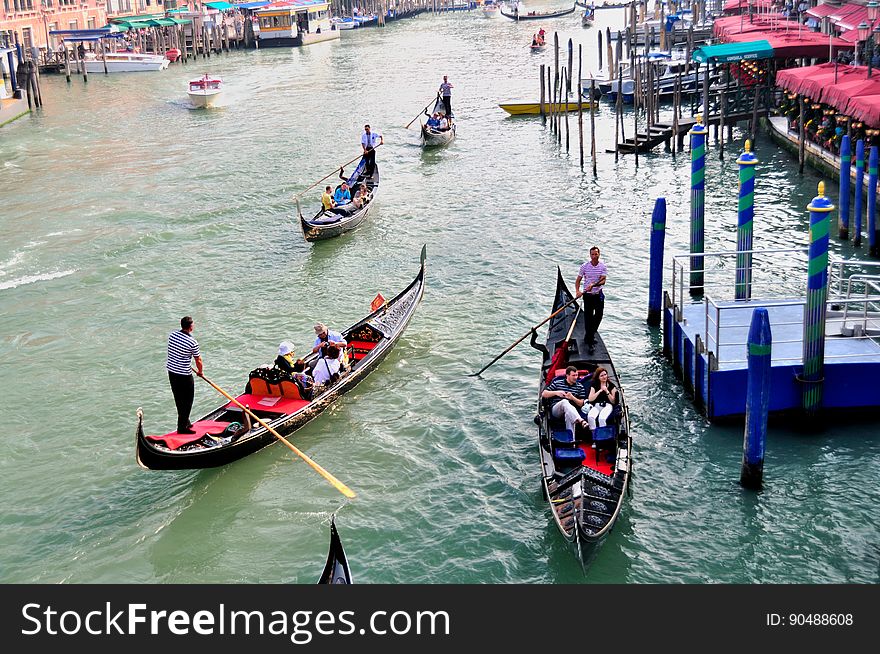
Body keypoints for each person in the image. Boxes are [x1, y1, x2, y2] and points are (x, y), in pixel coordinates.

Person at [166, 316, 203, 435]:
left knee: (179, 399)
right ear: (191, 327)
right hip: (184, 375)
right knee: (187, 401)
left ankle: (186, 421)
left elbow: (174, 351)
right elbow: (198, 360)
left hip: (172, 372)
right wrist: (200, 372)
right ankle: (182, 428)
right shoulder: (192, 342)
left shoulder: (172, 335)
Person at [575, 246, 607, 353]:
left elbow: (603, 281)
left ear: (599, 254)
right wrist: (578, 292)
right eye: (592, 254)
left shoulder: (602, 266)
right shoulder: (584, 266)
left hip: (598, 295)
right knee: (588, 318)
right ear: (590, 255)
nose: (594, 256)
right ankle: (590, 340)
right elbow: (578, 280)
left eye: (596, 254)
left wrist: (594, 285)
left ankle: (590, 334)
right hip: (587, 296)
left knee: (599, 316)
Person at [541, 365, 589, 436]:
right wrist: (556, 393)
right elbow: (544, 394)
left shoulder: (580, 387)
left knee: (568, 414)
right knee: (564, 402)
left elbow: (581, 404)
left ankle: (571, 441)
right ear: (567, 375)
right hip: (556, 410)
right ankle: (581, 420)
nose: (576, 377)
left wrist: (572, 398)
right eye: (573, 375)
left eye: (577, 375)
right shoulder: (557, 383)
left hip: (571, 411)